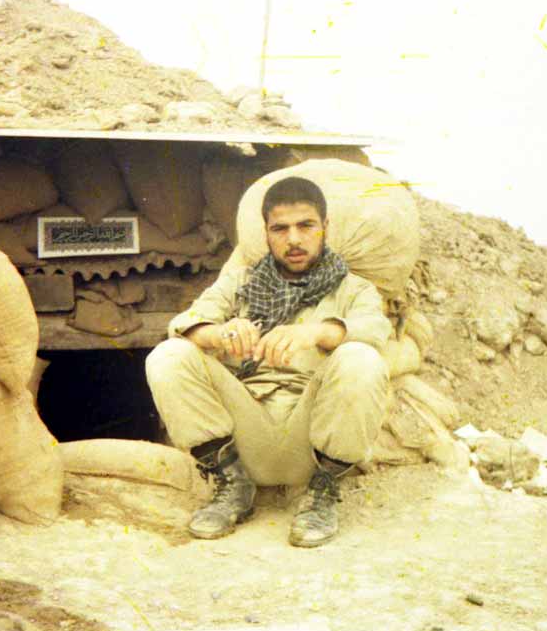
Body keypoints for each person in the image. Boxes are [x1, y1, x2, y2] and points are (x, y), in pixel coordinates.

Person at [145, 176, 391, 547]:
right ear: (266, 233)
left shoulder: (354, 289)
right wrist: (221, 332)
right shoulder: (239, 283)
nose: (294, 239)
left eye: (305, 226)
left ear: (325, 227)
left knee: (361, 357)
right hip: (243, 437)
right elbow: (185, 323)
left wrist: (316, 332)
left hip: (311, 440)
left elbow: (374, 330)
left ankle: (323, 493)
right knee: (168, 355)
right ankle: (232, 487)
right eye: (280, 229)